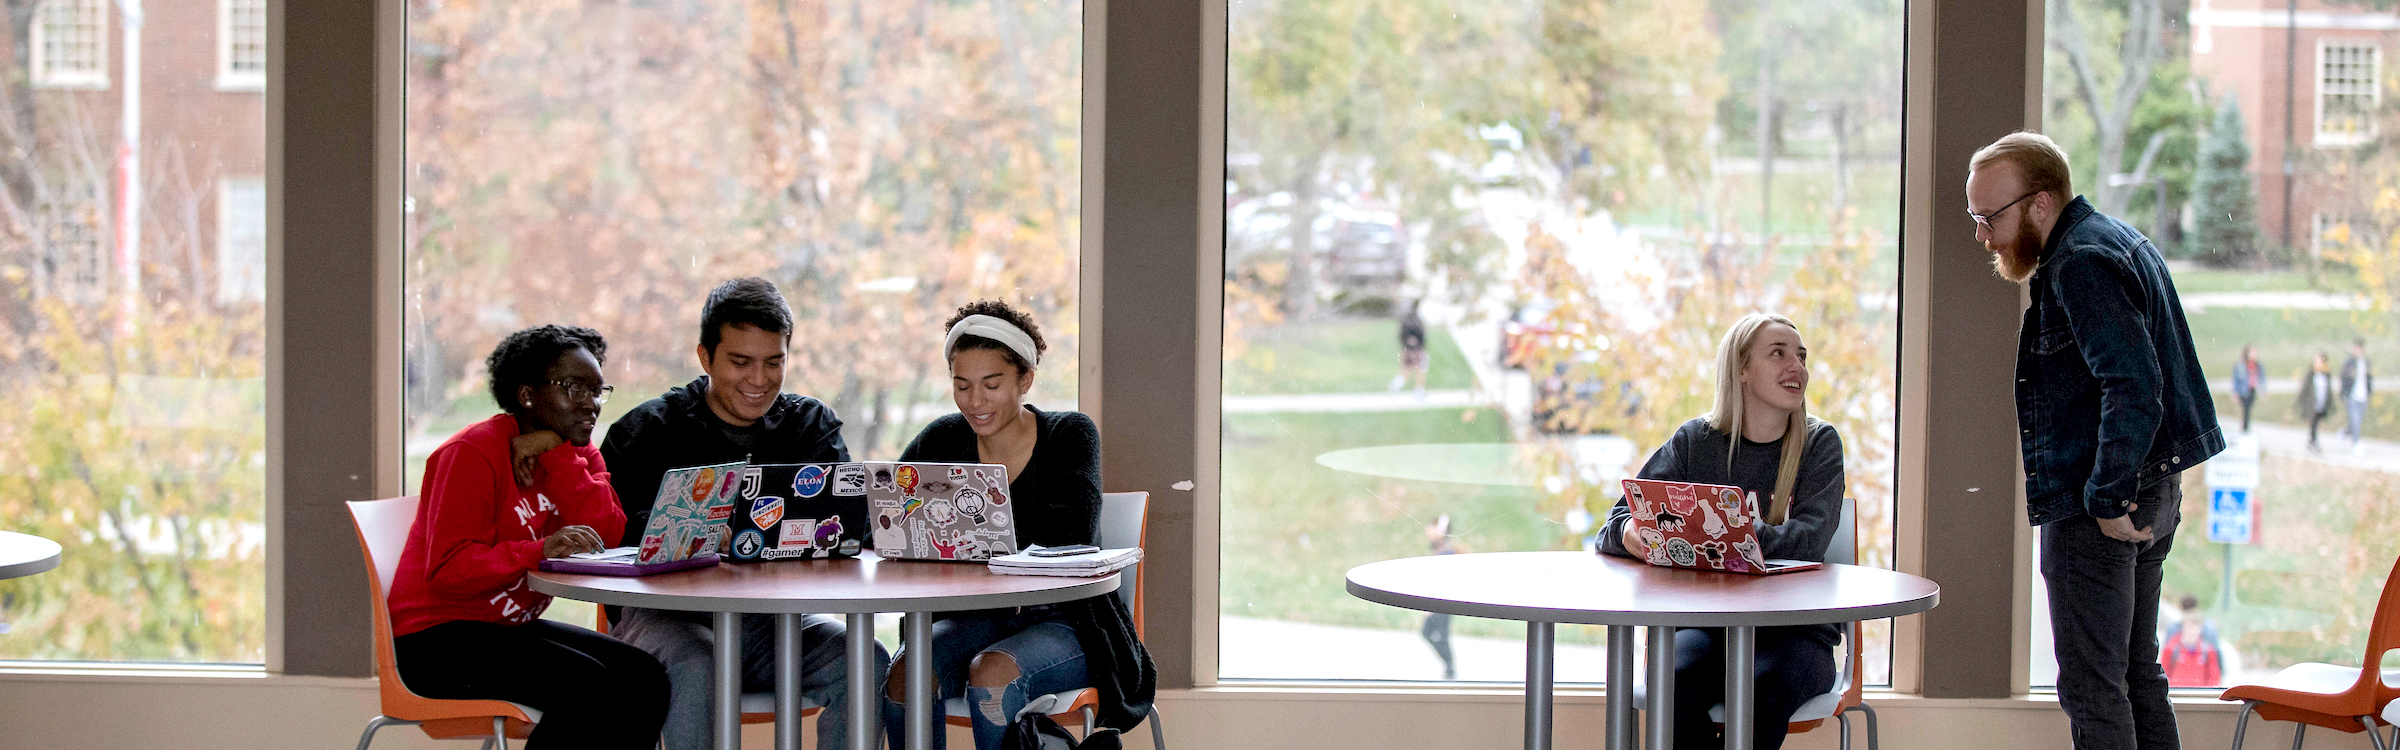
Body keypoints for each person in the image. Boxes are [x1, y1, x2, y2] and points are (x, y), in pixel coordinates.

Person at [1967, 131, 2223, 750]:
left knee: (2093, 688)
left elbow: (2133, 385)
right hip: (2151, 487)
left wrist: (2106, 498)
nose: (1983, 237)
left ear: (2040, 202)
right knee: (2135, 676)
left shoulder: (2080, 262)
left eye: (1989, 218)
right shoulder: (2117, 240)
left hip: (2102, 502)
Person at [598, 278, 889, 750]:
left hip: (772, 623)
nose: (759, 380)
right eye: (740, 362)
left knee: (864, 658)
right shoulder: (647, 430)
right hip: (669, 621)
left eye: (774, 362)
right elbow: (607, 540)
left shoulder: (810, 425)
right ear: (705, 357)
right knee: (698, 662)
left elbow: (850, 523)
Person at [882, 299, 1156, 750]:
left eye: (991, 384)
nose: (975, 401)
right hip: (972, 618)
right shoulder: (942, 438)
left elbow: (1071, 535)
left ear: (1024, 380)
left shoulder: (1069, 434)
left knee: (992, 674)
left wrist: (957, 536)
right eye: (962, 385)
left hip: (1065, 620)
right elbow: (884, 518)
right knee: (906, 673)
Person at [386, 325, 668, 749]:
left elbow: (609, 536)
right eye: (575, 388)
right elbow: (448, 571)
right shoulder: (472, 453)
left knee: (644, 677)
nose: (591, 404)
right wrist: (537, 551)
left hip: (504, 628)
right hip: (433, 639)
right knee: (588, 686)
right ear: (526, 395)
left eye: (597, 391)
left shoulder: (575, 451)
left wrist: (558, 456)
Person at [1596, 313, 1845, 750]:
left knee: (1761, 693)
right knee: (1672, 682)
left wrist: (1725, 536)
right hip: (1706, 628)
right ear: (1741, 369)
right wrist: (1635, 535)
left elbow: (1809, 542)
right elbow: (1616, 524)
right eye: (1779, 353)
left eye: (1802, 356)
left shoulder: (1819, 443)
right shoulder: (1695, 441)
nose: (1797, 367)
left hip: (1797, 633)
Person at [1420, 514, 1465, 681]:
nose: (1428, 529)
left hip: (1442, 603)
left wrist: (1429, 605)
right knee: (1433, 633)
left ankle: (1450, 668)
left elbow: (1441, 581)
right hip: (1441, 602)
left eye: (1433, 526)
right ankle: (1449, 667)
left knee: (1436, 634)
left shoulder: (1446, 552)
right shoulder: (1441, 549)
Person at [2159, 595, 2224, 688]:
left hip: (2199, 690)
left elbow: (2214, 674)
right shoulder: (2173, 647)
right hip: (2177, 690)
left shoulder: (2207, 648)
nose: (2192, 631)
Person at [2343, 337, 2373, 453]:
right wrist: (2344, 394)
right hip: (2352, 396)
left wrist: (2369, 391)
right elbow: (2344, 378)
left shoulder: (2366, 362)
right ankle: (2356, 444)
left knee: (2357, 421)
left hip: (2363, 396)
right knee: (2355, 420)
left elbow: (2369, 378)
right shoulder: (2349, 362)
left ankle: (2344, 433)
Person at [2300, 352, 2334, 452]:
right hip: (2312, 403)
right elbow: (2305, 389)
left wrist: (2331, 404)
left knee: (2317, 422)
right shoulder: (2311, 373)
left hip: (2321, 403)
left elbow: (2329, 391)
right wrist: (2301, 402)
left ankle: (2312, 441)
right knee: (2313, 422)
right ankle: (2313, 441)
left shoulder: (2326, 374)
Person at [1395, 299, 1430, 397]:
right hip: (1418, 350)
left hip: (1407, 350)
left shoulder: (1405, 320)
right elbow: (1422, 336)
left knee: (1405, 372)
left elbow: (1401, 336)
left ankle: (1395, 387)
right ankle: (1418, 391)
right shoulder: (1418, 320)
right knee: (1421, 370)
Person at [2231, 345, 2263, 433]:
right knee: (2245, 409)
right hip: (2243, 391)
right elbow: (2236, 380)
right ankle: (2245, 429)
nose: (2255, 354)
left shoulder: (2257, 365)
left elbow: (2261, 378)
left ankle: (2246, 428)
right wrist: (2235, 393)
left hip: (2252, 390)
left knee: (2248, 409)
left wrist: (2262, 392)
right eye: (2253, 352)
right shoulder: (2240, 365)